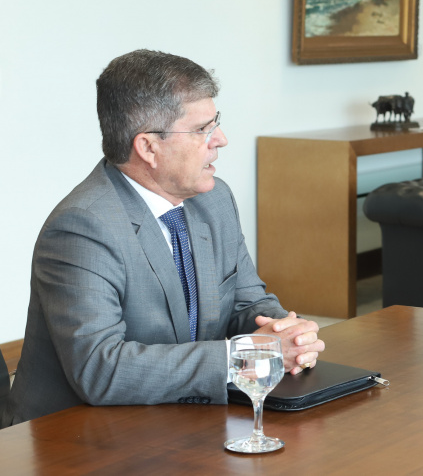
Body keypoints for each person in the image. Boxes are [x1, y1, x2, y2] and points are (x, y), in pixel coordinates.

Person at [2, 50, 325, 427]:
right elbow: (99, 370)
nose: (220, 139)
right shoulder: (83, 227)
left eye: (215, 123)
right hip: (76, 437)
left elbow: (245, 302)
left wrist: (284, 334)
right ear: (148, 147)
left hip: (178, 417)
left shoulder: (214, 199)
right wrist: (242, 357)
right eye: (202, 129)